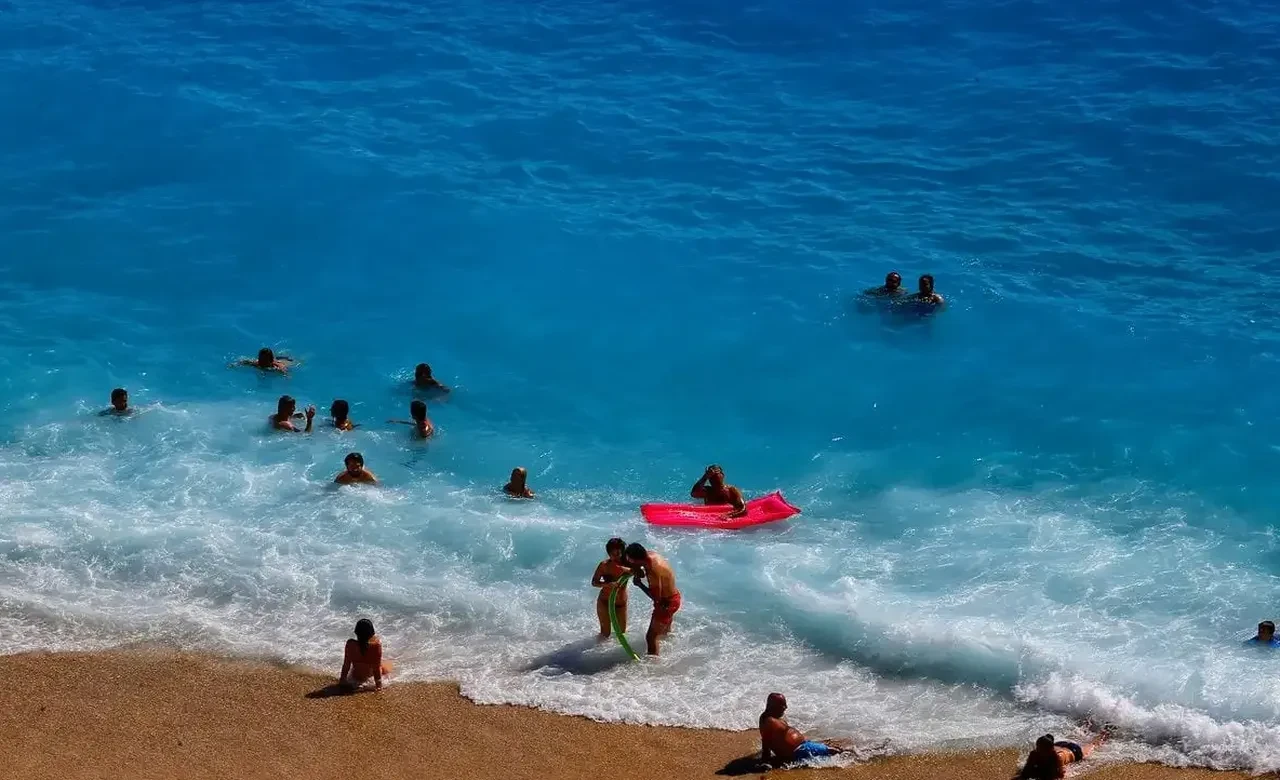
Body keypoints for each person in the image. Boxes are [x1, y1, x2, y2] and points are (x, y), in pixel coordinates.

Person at [624, 542, 680, 656]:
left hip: (666, 604)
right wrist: (636, 568)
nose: (630, 563)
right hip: (675, 597)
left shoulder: (653, 572)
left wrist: (640, 585)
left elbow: (657, 598)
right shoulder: (651, 555)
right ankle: (670, 651)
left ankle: (654, 668)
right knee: (664, 633)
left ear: (637, 560)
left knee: (650, 637)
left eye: (631, 561)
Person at [759, 693, 845, 767]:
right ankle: (856, 760)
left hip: (804, 746)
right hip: (800, 751)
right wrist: (765, 762)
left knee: (835, 745)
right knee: (836, 751)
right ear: (773, 706)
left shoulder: (772, 717)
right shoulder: (768, 721)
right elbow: (766, 741)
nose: (786, 707)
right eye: (782, 705)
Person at [1017, 732, 1106, 780]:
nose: (1038, 751)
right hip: (1059, 744)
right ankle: (1087, 724)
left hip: (1073, 750)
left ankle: (1104, 734)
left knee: (1092, 745)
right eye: (1038, 748)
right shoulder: (1034, 753)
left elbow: (1061, 775)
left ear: (1050, 750)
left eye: (1041, 750)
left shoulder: (1057, 757)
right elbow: (1026, 772)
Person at [592, 538, 629, 640]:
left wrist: (624, 569)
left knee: (621, 634)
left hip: (621, 603)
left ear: (622, 552)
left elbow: (640, 573)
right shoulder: (604, 565)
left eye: (618, 553)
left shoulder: (628, 564)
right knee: (605, 634)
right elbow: (594, 582)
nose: (616, 557)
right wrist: (608, 584)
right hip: (605, 602)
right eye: (613, 554)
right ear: (609, 554)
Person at [339, 618, 391, 692]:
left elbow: (346, 665)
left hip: (355, 678)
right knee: (387, 665)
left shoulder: (350, 644)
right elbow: (376, 670)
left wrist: (342, 680)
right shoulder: (375, 646)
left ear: (356, 632)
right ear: (371, 634)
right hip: (370, 678)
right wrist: (379, 686)